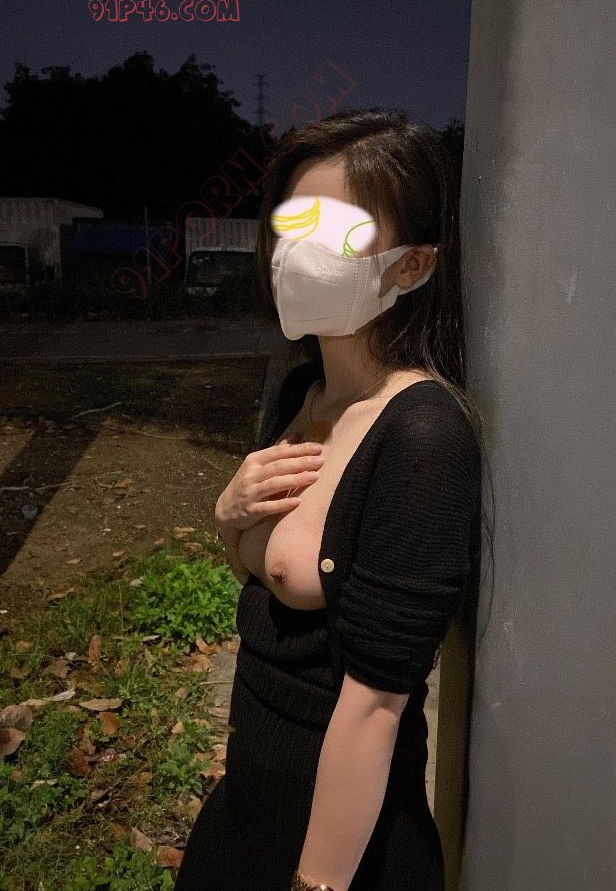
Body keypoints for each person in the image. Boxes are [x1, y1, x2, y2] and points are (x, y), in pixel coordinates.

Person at [173, 109, 487, 891]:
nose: (300, 253)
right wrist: (228, 520)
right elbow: (269, 590)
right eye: (292, 226)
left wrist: (317, 883)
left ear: (412, 266)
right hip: (245, 808)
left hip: (343, 852)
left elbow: (375, 706)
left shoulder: (422, 435)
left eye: (339, 233)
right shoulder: (300, 394)